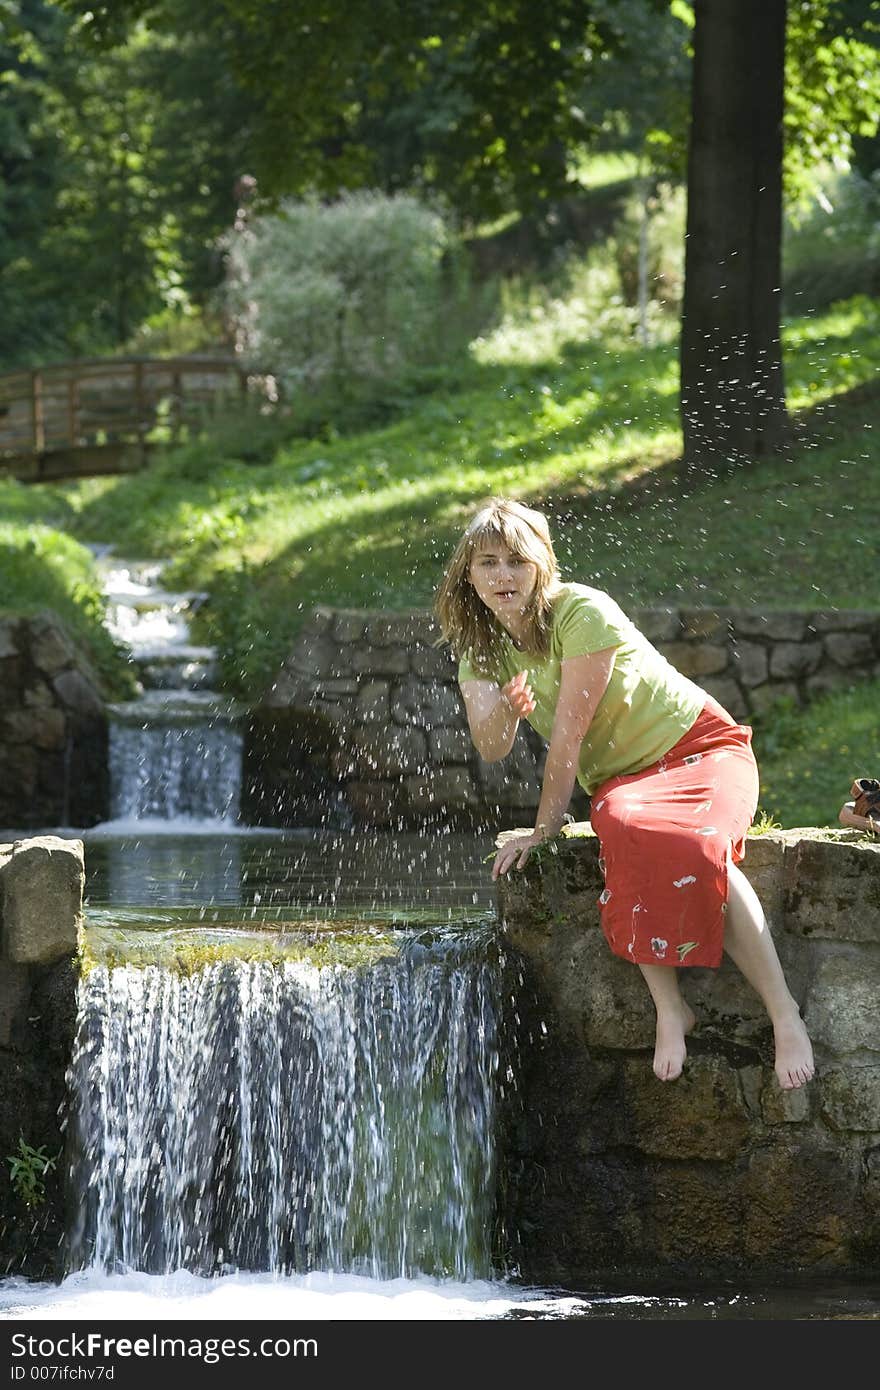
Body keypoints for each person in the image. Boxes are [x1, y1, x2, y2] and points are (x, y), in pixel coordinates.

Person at [434, 496, 815, 1090]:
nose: (503, 575)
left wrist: (545, 829)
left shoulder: (581, 611)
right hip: (623, 783)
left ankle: (783, 1011)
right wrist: (507, 710)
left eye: (517, 561)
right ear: (469, 573)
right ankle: (670, 1007)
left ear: (542, 565)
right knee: (626, 829)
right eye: (488, 563)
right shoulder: (480, 647)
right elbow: (490, 746)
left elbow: (568, 736)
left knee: (701, 844)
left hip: (701, 752)